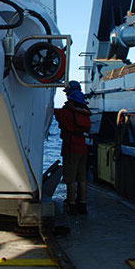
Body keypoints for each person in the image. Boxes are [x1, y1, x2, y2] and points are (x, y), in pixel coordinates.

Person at [54, 80, 92, 215]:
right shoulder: (85, 112)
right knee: (82, 178)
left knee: (70, 178)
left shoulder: (66, 112)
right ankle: (83, 204)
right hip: (83, 146)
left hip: (71, 146)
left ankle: (71, 204)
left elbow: (57, 115)